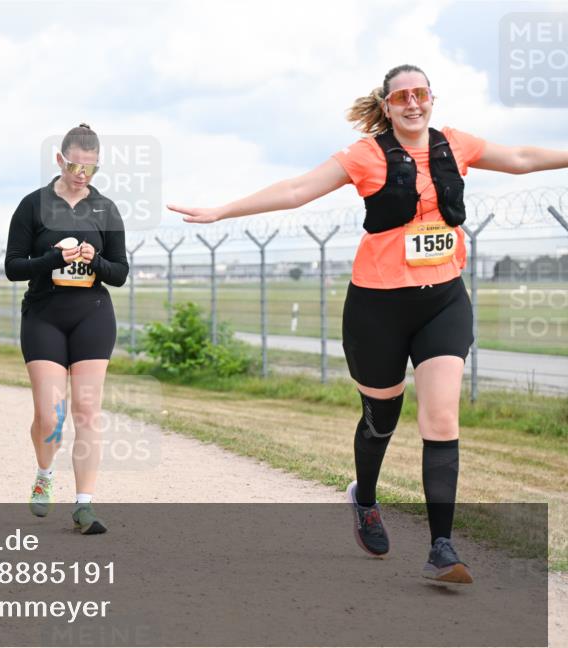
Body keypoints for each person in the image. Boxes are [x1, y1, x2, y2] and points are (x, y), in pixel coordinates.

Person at [168, 64, 567, 583]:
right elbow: (296, 190)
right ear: (386, 105)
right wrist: (222, 211)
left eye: (420, 93)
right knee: (382, 417)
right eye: (401, 96)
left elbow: (519, 158)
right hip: (377, 308)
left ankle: (442, 547)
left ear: (431, 98)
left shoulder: (456, 145)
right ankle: (366, 499)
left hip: (443, 301)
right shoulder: (365, 154)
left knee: (442, 419)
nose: (412, 103)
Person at [5, 124, 129, 535]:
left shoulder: (105, 209)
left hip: (92, 313)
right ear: (60, 160)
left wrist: (94, 261)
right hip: (44, 314)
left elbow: (120, 273)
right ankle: (44, 473)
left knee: (87, 412)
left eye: (91, 168)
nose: (82, 174)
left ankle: (84, 505)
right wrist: (51, 259)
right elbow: (12, 268)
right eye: (76, 165)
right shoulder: (32, 205)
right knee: (50, 415)